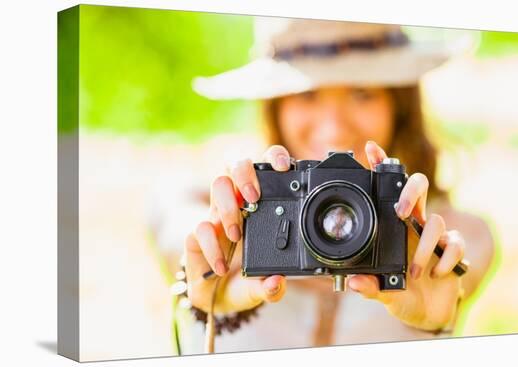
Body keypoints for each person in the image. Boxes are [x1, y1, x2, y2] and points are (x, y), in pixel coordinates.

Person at [151, 18, 494, 352]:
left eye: (362, 93)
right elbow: (172, 218)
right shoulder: (234, 214)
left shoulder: (434, 237)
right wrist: (217, 258)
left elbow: (473, 245)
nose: (333, 125)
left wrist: (437, 286)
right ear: (276, 107)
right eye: (307, 94)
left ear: (399, 106)